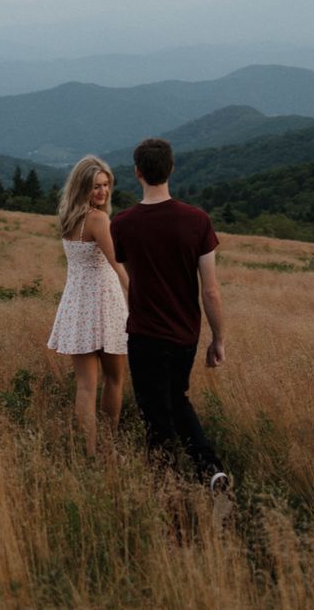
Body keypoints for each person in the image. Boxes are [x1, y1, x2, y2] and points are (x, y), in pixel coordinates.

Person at [110, 137, 228, 491]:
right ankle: (210, 471)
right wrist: (217, 338)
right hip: (185, 335)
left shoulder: (123, 224)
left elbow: (132, 275)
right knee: (176, 398)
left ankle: (166, 488)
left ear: (137, 173)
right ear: (171, 169)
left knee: (155, 414)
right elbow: (210, 289)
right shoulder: (198, 221)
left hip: (145, 334)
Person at [47, 155, 129, 456]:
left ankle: (88, 452)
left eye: (106, 185)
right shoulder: (98, 219)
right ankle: (106, 448)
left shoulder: (69, 217)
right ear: (83, 186)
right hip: (106, 306)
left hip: (76, 307)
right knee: (114, 380)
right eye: (96, 186)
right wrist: (139, 299)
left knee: (85, 386)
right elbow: (117, 265)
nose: (103, 192)